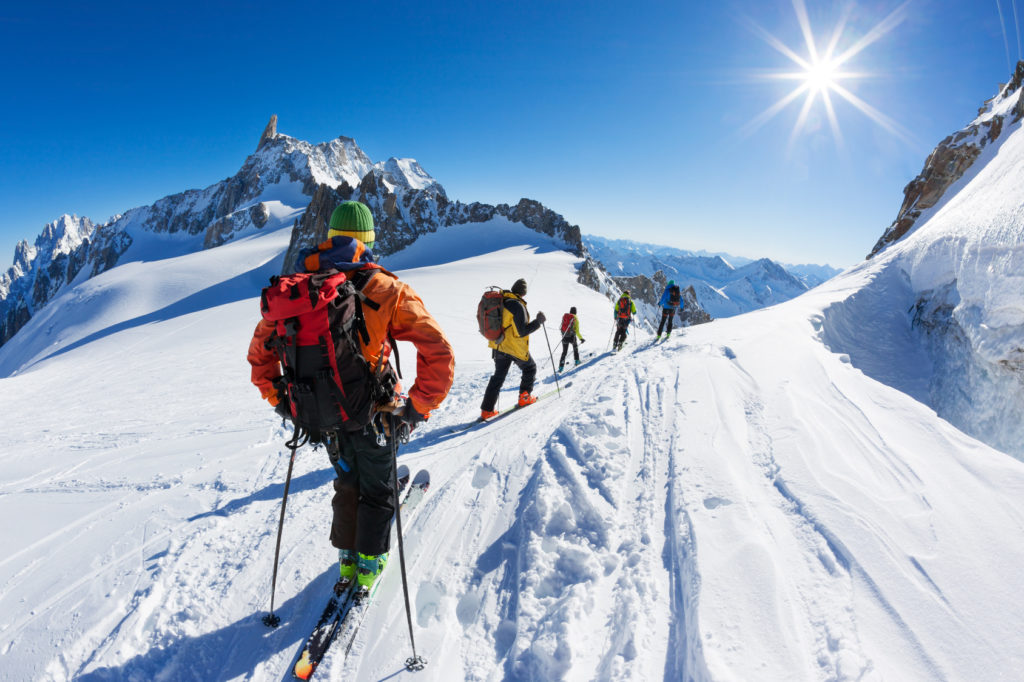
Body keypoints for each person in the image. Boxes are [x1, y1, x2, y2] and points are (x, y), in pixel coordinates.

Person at [247, 200, 454, 595]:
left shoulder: (297, 292)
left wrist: (284, 404)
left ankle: (346, 557)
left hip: (321, 415)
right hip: (375, 413)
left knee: (347, 481)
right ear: (369, 240)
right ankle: (369, 564)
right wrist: (415, 408)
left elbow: (261, 357)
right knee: (377, 487)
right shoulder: (385, 288)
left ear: (330, 239)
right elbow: (439, 352)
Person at [480, 278, 546, 419]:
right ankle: (524, 397)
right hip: (513, 347)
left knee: (498, 377)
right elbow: (522, 331)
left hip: (498, 345)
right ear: (524, 293)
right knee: (530, 368)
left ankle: (486, 411)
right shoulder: (517, 305)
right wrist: (538, 322)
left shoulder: (502, 301)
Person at [558, 306, 585, 372]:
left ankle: (561, 367)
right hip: (572, 337)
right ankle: (577, 361)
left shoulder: (566, 317)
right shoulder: (575, 319)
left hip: (564, 336)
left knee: (564, 352)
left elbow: (562, 327)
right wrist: (581, 339)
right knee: (575, 348)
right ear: (576, 312)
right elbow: (577, 331)